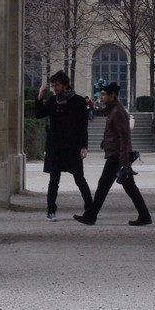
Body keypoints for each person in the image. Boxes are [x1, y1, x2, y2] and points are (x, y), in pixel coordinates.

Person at [74, 83, 152, 226]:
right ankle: (144, 215)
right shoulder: (114, 110)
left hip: (117, 157)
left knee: (104, 186)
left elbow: (124, 136)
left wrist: (124, 160)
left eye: (103, 94)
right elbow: (118, 135)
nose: (100, 97)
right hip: (117, 155)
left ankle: (90, 216)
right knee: (127, 188)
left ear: (112, 96)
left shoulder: (117, 112)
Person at [35, 70, 93, 222]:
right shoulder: (53, 101)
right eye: (53, 86)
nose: (55, 88)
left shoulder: (79, 101)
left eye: (57, 85)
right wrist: (40, 95)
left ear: (65, 85)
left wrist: (83, 146)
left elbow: (82, 126)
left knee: (79, 179)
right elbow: (39, 113)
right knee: (54, 180)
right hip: (55, 145)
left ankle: (90, 209)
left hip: (72, 146)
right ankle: (50, 210)